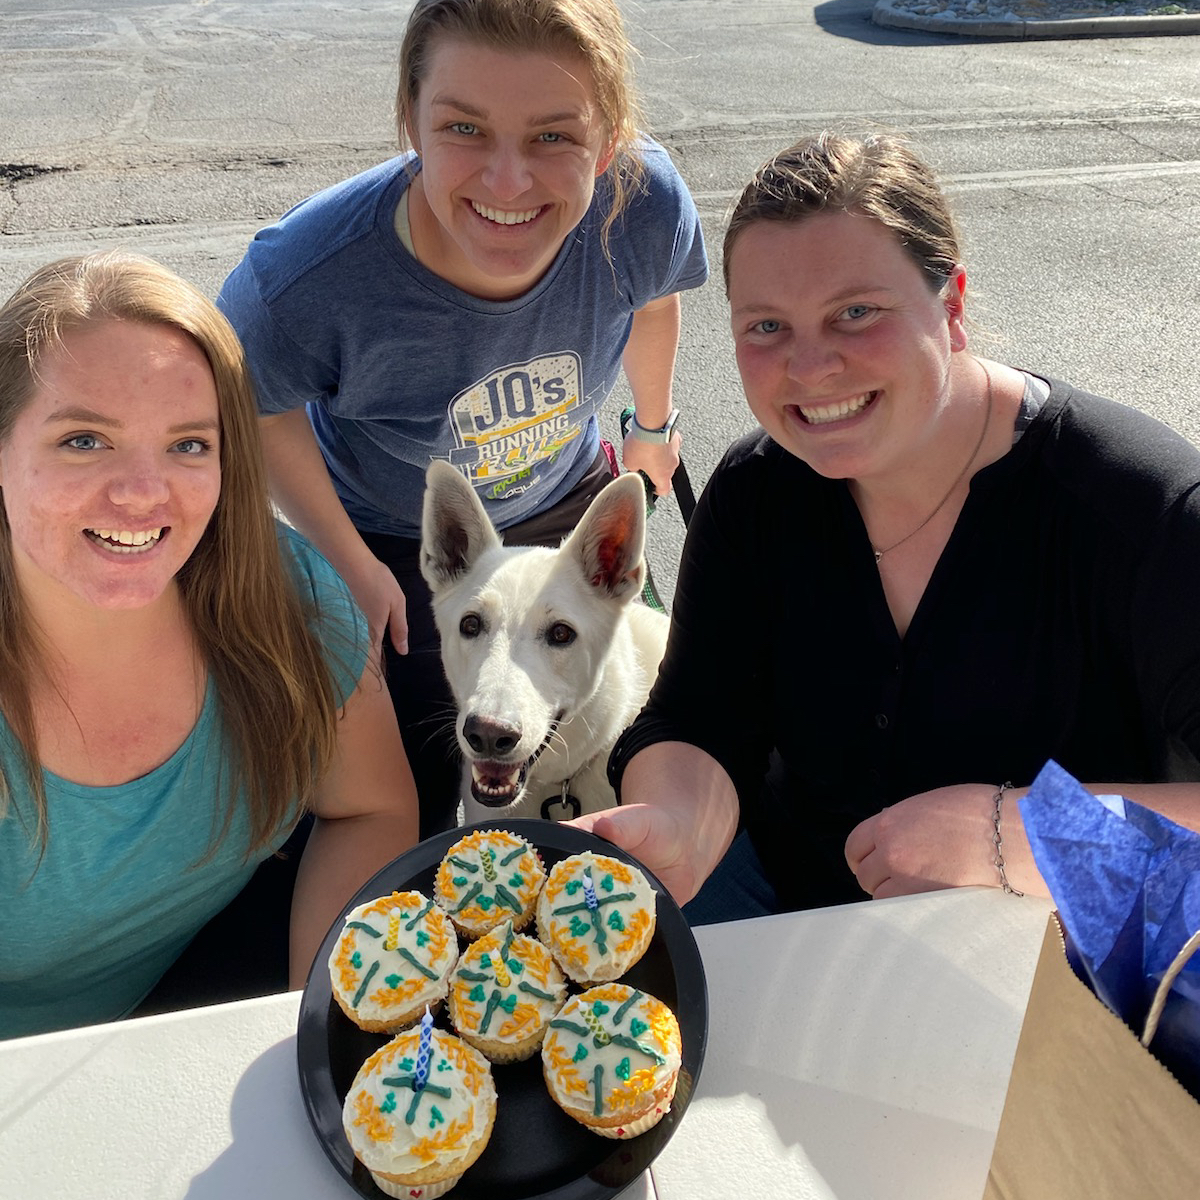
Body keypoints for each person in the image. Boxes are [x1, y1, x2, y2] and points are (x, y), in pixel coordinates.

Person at [577, 131, 1200, 919]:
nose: (810, 367)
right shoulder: (756, 493)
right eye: (766, 327)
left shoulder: (1139, 509)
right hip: (796, 917)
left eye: (857, 313)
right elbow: (699, 716)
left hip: (1061, 963)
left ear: (954, 306)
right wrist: (675, 823)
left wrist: (1016, 832)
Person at [217, 0, 708, 837]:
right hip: (396, 536)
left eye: (555, 135)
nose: (508, 182)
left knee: (627, 729)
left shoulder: (643, 204)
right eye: (465, 128)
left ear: (612, 142)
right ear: (408, 120)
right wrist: (353, 568)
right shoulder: (303, 279)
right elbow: (259, 411)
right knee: (400, 799)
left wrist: (652, 432)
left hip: (564, 494)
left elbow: (653, 301)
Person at [0, 251, 418, 1040]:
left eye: (189, 444)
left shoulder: (284, 598)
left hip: (185, 1010)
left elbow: (370, 806)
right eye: (83, 440)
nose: (140, 493)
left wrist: (314, 1041)